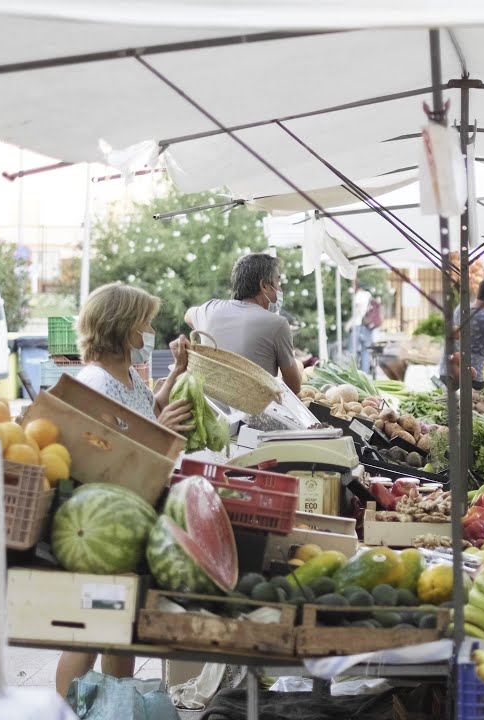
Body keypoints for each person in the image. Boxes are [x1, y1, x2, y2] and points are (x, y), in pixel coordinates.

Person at [56, 282, 194, 696]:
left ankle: (119, 704)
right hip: (103, 522)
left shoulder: (128, 374)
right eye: (145, 323)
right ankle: (63, 709)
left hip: (131, 515)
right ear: (123, 327)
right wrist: (160, 434)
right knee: (90, 633)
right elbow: (103, 457)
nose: (149, 331)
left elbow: (144, 411)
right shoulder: (94, 383)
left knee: (121, 630)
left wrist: (176, 375)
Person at [185, 253, 303, 394]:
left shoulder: (209, 309)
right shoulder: (277, 324)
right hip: (254, 412)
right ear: (264, 285)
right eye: (278, 282)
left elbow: (188, 315)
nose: (279, 289)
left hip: (212, 410)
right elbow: (294, 387)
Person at [347, 284, 376, 374]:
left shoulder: (359, 295)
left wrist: (349, 324)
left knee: (352, 351)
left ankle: (353, 373)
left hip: (358, 325)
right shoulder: (368, 295)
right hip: (367, 327)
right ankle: (365, 374)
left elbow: (358, 310)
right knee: (366, 352)